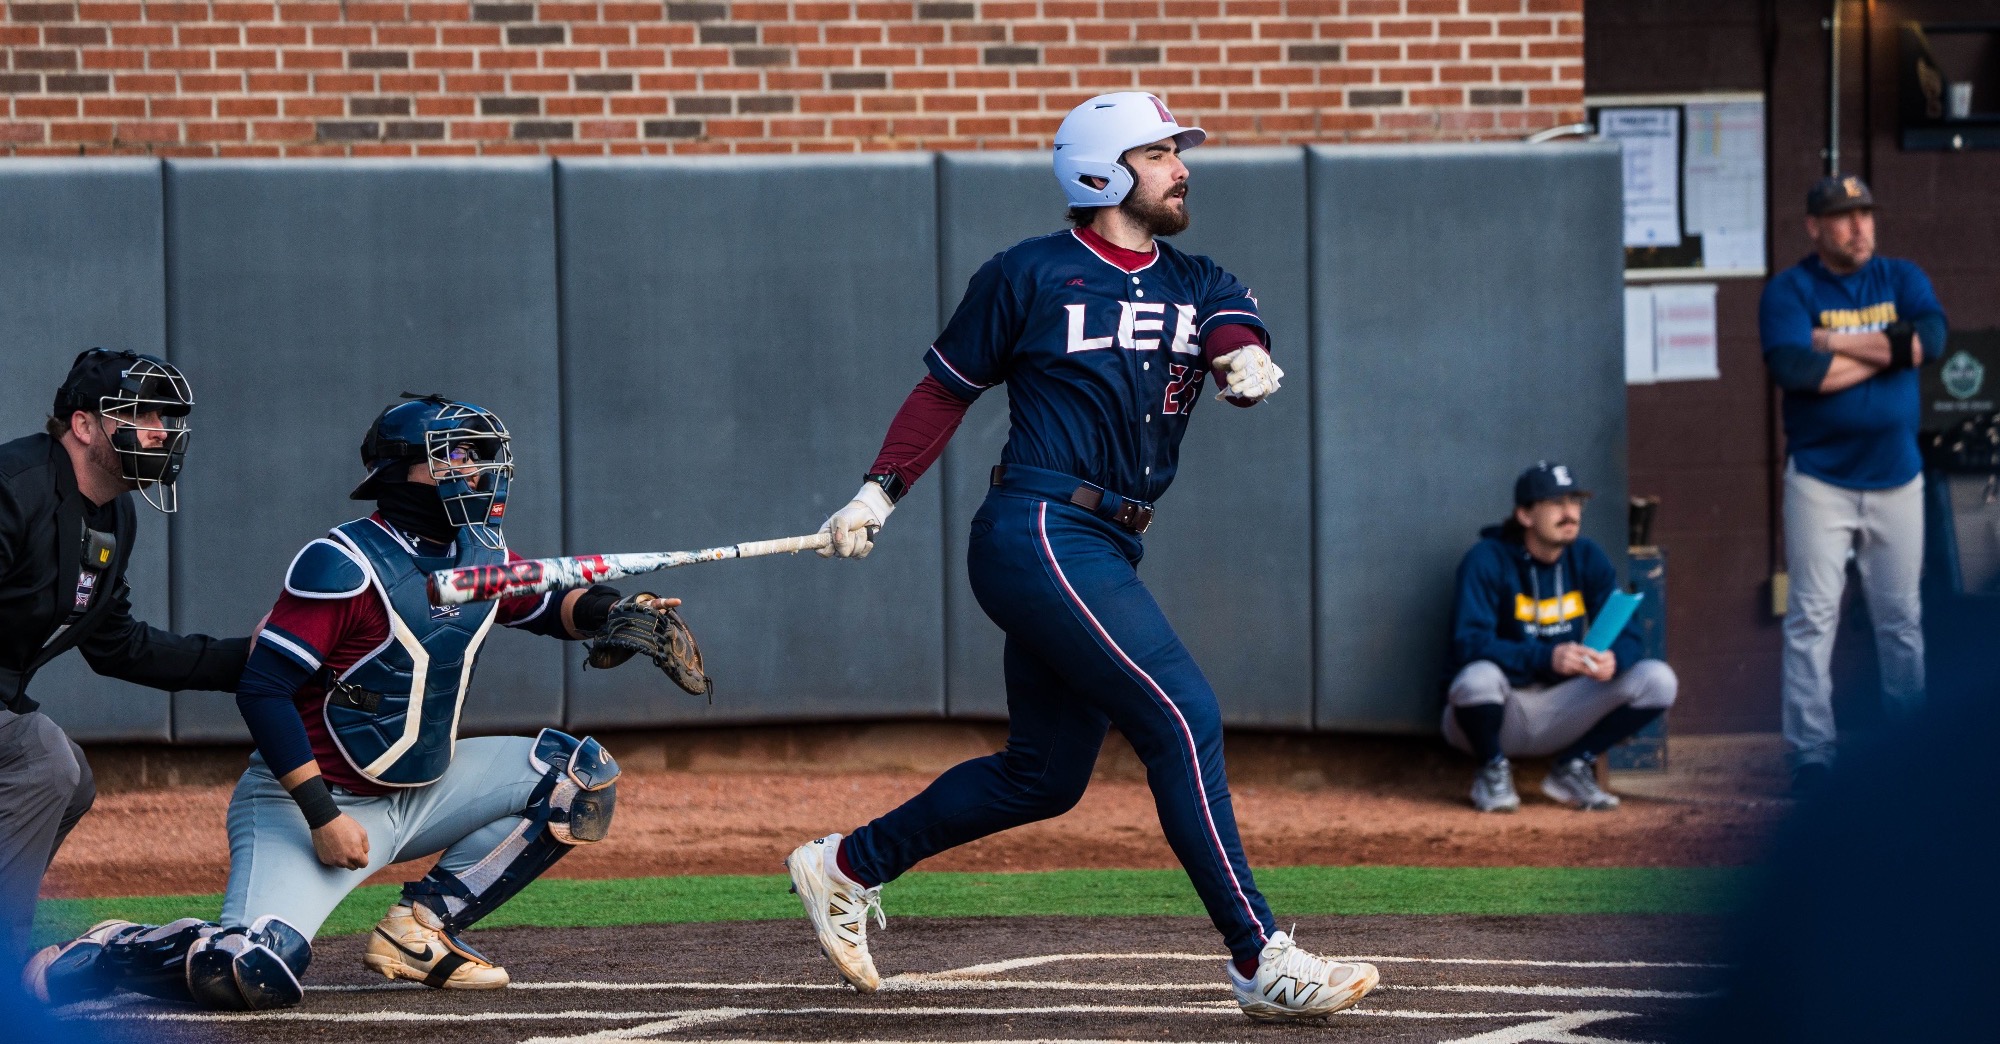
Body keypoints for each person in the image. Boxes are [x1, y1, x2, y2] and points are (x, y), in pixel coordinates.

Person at [783, 92, 1377, 1022]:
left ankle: (845, 864)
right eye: (1160, 153)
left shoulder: (1199, 276)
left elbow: (1231, 330)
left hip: (1108, 541)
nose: (1182, 166)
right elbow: (944, 393)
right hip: (1040, 529)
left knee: (1044, 777)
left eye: (1178, 152)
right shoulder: (1027, 273)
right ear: (1102, 171)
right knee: (1184, 716)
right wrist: (876, 493)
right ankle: (1261, 956)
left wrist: (1243, 360)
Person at [23, 394, 687, 1010]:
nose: (477, 471)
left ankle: (422, 928)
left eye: (480, 455)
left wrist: (619, 613)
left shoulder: (478, 552)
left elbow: (546, 604)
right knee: (247, 970)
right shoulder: (341, 562)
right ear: (402, 471)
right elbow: (263, 687)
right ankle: (108, 951)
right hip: (311, 802)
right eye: (454, 456)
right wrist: (320, 816)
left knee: (579, 778)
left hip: (423, 788)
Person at [0, 349, 248, 966]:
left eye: (170, 417)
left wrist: (254, 659)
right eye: (143, 414)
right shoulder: (13, 486)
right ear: (84, 426)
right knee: (44, 764)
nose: (164, 431)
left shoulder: (114, 514)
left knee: (72, 782)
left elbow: (116, 644)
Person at [1759, 175, 1947, 794]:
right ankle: (1812, 754)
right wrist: (1887, 349)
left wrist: (1834, 342)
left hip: (1898, 478)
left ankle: (1908, 750)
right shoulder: (1790, 289)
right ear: (1814, 227)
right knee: (1812, 620)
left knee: (1902, 621)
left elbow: (1931, 342)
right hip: (1821, 480)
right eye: (1843, 217)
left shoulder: (1902, 276)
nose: (1859, 227)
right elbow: (1794, 369)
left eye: (1865, 214)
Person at [1443, 462, 1678, 813]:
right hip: (1500, 709)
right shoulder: (1486, 559)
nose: (1570, 513)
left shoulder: (1587, 557)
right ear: (1525, 514)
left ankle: (1573, 766)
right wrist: (1545, 657)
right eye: (1556, 503)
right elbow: (1468, 644)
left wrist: (1614, 661)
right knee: (1477, 679)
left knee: (1658, 679)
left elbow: (1629, 635)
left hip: (1560, 708)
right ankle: (1491, 769)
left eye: (1575, 502)